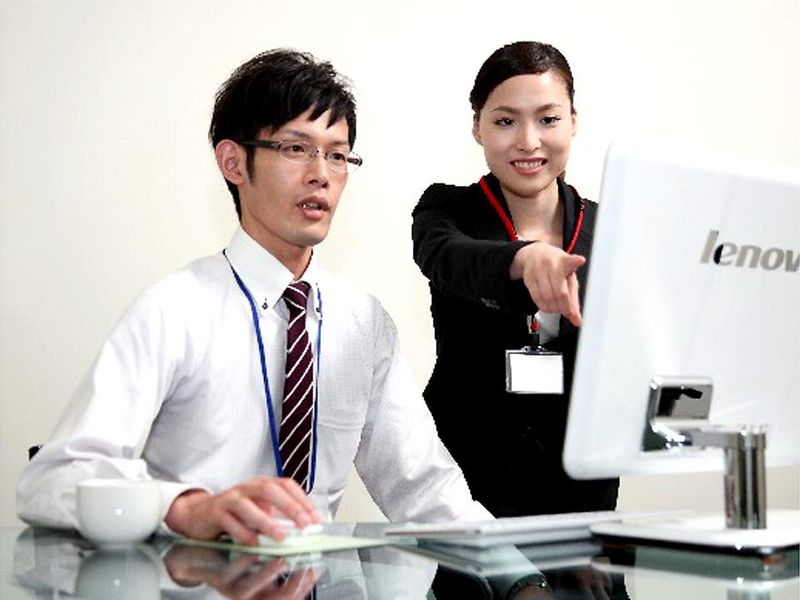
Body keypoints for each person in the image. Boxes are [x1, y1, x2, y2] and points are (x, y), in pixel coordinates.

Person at [17, 48, 491, 546]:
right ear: (233, 162)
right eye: (295, 148)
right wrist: (184, 507)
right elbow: (52, 481)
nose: (321, 174)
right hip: (188, 576)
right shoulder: (174, 309)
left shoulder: (362, 323)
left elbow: (427, 491)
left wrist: (522, 575)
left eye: (337, 154)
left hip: (317, 578)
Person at [412, 41, 619, 517]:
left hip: (583, 500)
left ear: (573, 121)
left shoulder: (611, 229)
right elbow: (447, 257)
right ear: (477, 127)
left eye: (548, 119)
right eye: (505, 121)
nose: (528, 141)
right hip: (463, 496)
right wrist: (524, 259)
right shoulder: (447, 210)